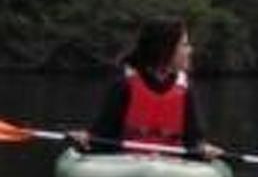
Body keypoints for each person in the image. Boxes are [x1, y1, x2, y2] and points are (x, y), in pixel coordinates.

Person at [70, 17, 222, 159]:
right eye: (184, 45)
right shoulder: (125, 85)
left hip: (173, 170)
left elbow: (193, 142)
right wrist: (85, 141)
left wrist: (203, 149)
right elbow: (101, 139)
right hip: (125, 166)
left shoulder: (184, 89)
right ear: (165, 48)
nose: (190, 50)